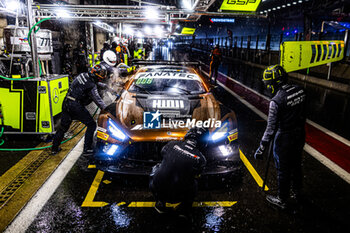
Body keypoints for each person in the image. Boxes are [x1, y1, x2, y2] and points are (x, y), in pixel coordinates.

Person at [254, 65, 307, 209]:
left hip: (284, 138)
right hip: (300, 134)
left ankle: (282, 199)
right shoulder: (300, 90)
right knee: (296, 165)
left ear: (273, 83)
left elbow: (270, 128)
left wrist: (261, 147)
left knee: (283, 169)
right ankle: (298, 192)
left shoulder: (276, 101)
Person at [51, 63, 113, 155]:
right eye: (101, 74)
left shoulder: (83, 75)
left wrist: (105, 87)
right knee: (91, 125)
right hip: (75, 106)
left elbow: (90, 82)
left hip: (66, 102)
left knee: (63, 127)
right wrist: (108, 110)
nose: (102, 77)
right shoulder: (91, 85)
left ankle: (54, 148)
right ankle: (87, 149)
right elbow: (98, 100)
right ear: (96, 74)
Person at [149, 127, 207, 219]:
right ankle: (184, 210)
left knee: (156, 167)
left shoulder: (171, 144)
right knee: (195, 181)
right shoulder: (201, 159)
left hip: (158, 188)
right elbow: (197, 175)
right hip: (179, 195)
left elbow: (163, 155)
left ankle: (160, 203)